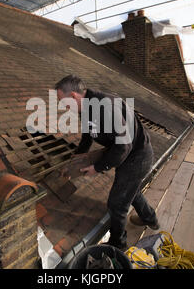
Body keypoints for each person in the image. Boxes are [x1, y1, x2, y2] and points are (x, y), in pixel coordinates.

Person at [55, 74, 159, 250]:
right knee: (129, 190)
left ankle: (118, 244)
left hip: (137, 157)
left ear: (73, 96)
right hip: (126, 154)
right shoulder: (86, 107)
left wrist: (97, 168)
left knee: (117, 203)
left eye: (63, 102)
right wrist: (74, 162)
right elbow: (87, 137)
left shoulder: (105, 107)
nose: (64, 107)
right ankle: (150, 219)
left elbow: (123, 146)